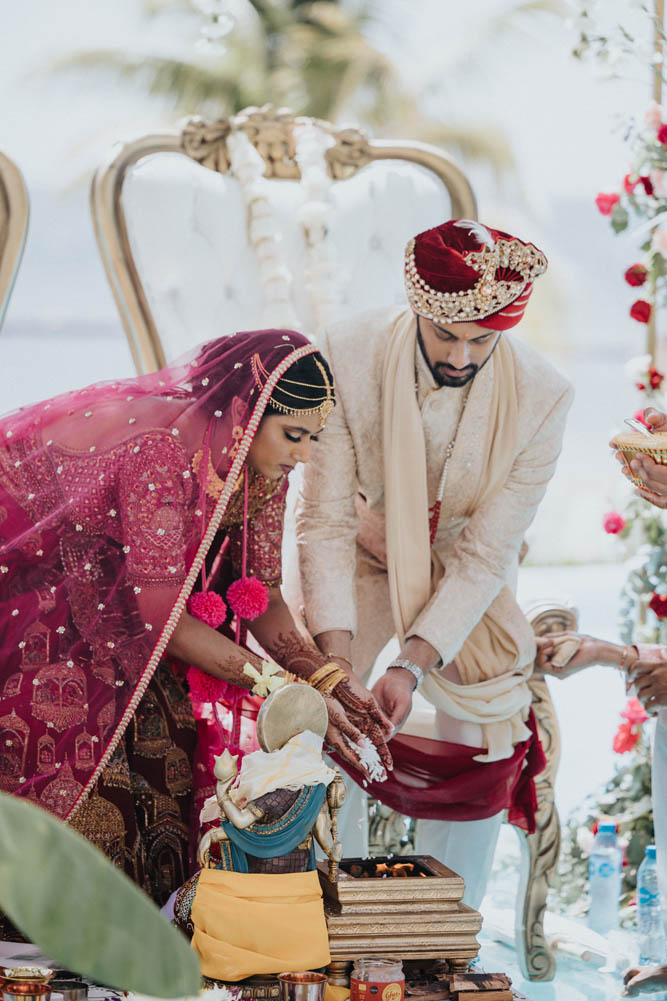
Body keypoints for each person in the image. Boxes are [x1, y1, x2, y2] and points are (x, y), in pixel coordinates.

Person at [0, 328, 390, 915]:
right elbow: (167, 623)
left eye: (314, 438)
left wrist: (329, 680)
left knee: (170, 758)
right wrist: (283, 691)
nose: (303, 455)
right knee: (82, 774)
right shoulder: (160, 451)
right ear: (244, 410)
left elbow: (261, 594)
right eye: (292, 435)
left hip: (123, 605)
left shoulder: (263, 468)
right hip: (48, 589)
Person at [295, 219, 574, 907]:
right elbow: (324, 519)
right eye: (445, 334)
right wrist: (335, 668)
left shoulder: (545, 396)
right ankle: (339, 919)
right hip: (360, 543)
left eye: (481, 340)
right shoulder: (343, 349)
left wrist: (410, 663)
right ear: (416, 307)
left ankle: (453, 923)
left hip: (460, 570)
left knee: (487, 716)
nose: (460, 354)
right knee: (320, 715)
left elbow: (485, 554)